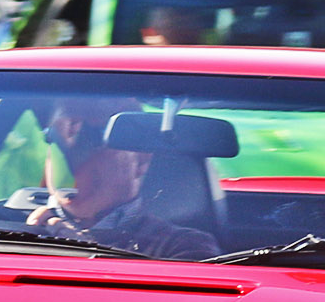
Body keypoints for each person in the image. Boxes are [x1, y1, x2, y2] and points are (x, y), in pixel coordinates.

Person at [25, 97, 221, 259]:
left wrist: (83, 251)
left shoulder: (181, 245)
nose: (70, 151)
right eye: (55, 137)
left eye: (92, 137)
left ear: (141, 160)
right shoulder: (11, 229)